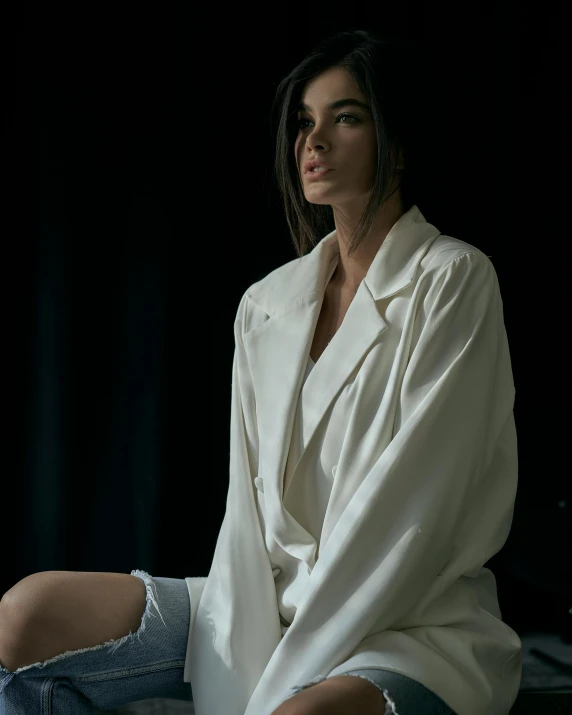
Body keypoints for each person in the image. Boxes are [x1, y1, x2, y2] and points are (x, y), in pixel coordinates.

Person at [0, 29, 522, 715]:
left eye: (346, 117)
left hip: (406, 621)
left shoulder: (453, 281)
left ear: (397, 140)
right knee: (24, 614)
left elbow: (412, 518)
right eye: (306, 121)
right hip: (260, 604)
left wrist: (272, 687)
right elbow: (244, 521)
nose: (315, 140)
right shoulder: (267, 303)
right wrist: (238, 650)